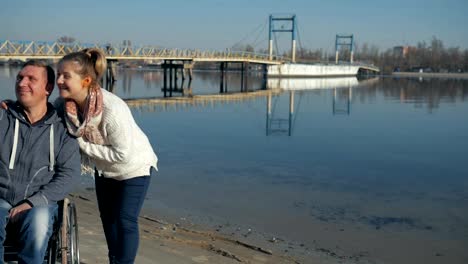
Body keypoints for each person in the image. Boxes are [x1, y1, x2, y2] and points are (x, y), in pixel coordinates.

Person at [55, 48, 158, 264]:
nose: (59, 80)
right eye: (58, 74)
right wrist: (12, 107)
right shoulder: (64, 106)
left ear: (85, 81)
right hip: (104, 169)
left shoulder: (112, 109)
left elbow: (122, 153)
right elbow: (41, 113)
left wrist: (81, 144)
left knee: (125, 220)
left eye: (66, 76)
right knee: (108, 220)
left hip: (134, 167)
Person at [0, 60, 81, 263]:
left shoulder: (63, 130)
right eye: (19, 78)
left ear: (48, 88)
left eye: (31, 79)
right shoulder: (2, 117)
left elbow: (69, 174)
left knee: (39, 221)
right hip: (0, 199)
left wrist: (33, 201)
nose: (21, 83)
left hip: (39, 203)